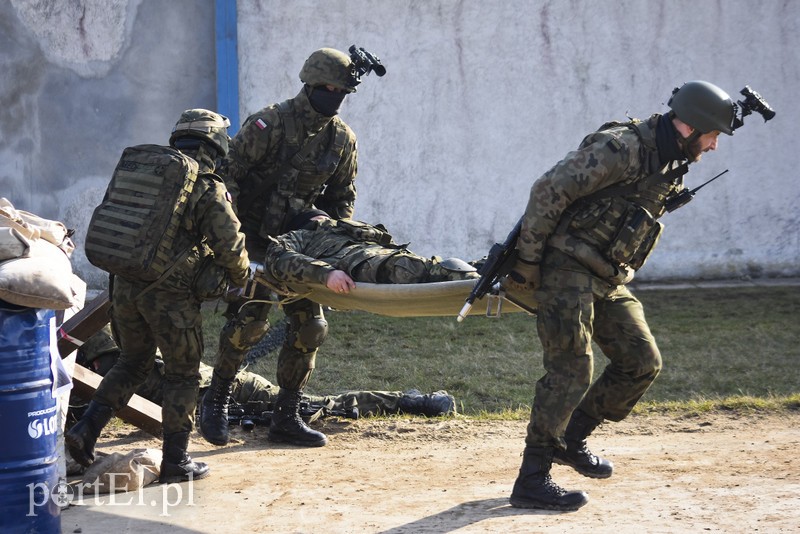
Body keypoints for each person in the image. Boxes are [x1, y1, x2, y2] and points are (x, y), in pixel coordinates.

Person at [502, 81, 741, 511]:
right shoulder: (621, 148)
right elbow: (547, 191)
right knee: (571, 369)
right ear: (691, 127)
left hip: (606, 275)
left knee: (641, 362)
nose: (714, 146)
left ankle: (570, 440)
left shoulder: (670, 160)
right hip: (564, 265)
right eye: (713, 135)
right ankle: (532, 479)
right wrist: (528, 263)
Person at [202, 46, 384, 448]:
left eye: (342, 91)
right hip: (253, 242)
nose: (334, 96)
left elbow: (342, 200)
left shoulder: (342, 139)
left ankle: (286, 415)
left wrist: (331, 235)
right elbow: (227, 178)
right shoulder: (270, 123)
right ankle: (216, 402)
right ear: (311, 83)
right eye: (328, 87)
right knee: (250, 324)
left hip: (300, 249)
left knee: (311, 327)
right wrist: (231, 240)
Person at [66, 109, 250, 484]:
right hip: (170, 298)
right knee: (183, 375)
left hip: (123, 287)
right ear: (214, 145)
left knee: (132, 363)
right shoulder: (205, 186)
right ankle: (177, 462)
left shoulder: (147, 176)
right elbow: (230, 247)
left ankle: (85, 430)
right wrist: (241, 278)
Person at [74, 325, 457, 421]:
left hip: (229, 392)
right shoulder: (104, 370)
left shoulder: (115, 366)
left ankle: (411, 403)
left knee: (318, 408)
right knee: (314, 407)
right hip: (220, 396)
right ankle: (412, 401)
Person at [258, 210, 480, 295]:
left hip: (378, 255)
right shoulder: (303, 235)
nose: (326, 220)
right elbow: (276, 257)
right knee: (413, 269)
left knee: (428, 267)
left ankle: (483, 271)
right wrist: (326, 274)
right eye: (321, 219)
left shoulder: (343, 227)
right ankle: (478, 278)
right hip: (363, 264)